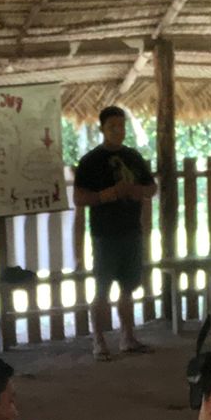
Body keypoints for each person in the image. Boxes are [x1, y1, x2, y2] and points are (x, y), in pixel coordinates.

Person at [73, 105, 156, 361]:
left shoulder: (134, 157)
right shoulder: (90, 161)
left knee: (128, 288)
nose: (118, 131)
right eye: (112, 127)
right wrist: (104, 196)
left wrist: (137, 191)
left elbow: (152, 188)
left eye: (121, 126)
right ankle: (98, 341)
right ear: (102, 129)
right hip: (104, 234)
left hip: (131, 231)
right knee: (102, 290)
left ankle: (127, 337)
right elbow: (79, 198)